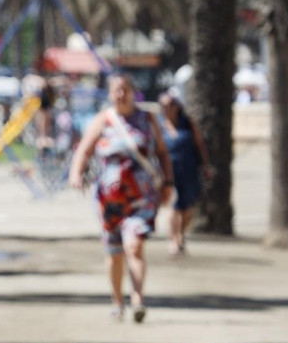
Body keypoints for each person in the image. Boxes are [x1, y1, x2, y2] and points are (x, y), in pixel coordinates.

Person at [68, 75, 174, 323]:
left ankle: (138, 299)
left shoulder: (147, 119)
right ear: (109, 94)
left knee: (134, 245)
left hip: (142, 196)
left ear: (132, 92)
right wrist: (76, 174)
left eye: (124, 90)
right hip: (109, 198)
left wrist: (168, 182)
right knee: (114, 251)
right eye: (116, 90)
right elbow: (83, 150)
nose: (120, 95)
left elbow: (162, 153)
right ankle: (117, 302)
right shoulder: (103, 120)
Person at [158, 91, 212, 256]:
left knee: (187, 207)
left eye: (171, 105)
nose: (167, 108)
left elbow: (199, 144)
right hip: (168, 172)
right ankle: (173, 240)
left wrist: (206, 165)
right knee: (174, 207)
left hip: (188, 169)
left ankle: (181, 234)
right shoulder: (158, 125)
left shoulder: (187, 123)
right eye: (164, 106)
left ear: (177, 106)